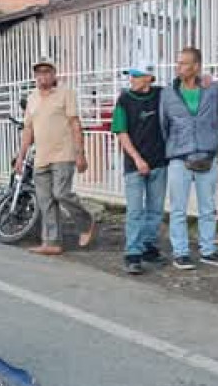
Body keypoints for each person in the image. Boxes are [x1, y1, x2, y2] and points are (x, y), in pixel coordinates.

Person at [15, 56, 95, 256]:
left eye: (46, 72)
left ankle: (86, 222)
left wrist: (80, 154)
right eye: (39, 73)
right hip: (42, 156)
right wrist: (20, 156)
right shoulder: (32, 98)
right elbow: (28, 130)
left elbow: (76, 124)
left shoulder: (66, 94)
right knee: (45, 201)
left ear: (54, 74)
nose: (42, 76)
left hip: (63, 154)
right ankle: (52, 242)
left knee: (61, 193)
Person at [159, 47, 218, 270]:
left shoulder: (213, 90)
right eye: (177, 62)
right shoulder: (168, 93)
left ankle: (208, 250)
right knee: (178, 208)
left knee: (207, 208)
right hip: (179, 158)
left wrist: (211, 144)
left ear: (196, 66)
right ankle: (181, 252)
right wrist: (176, 147)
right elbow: (164, 125)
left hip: (206, 156)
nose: (178, 67)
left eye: (183, 63)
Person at [111, 63, 167, 274]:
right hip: (135, 164)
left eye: (136, 75)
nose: (131, 79)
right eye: (131, 76)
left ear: (148, 77)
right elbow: (121, 132)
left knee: (155, 209)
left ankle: (148, 247)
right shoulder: (124, 99)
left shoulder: (161, 95)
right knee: (135, 211)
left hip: (159, 162)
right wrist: (137, 159)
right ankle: (132, 252)